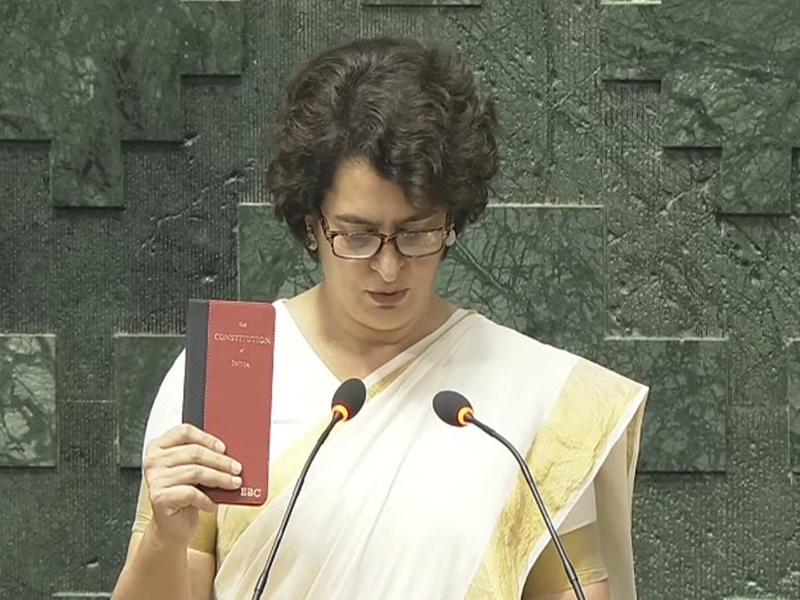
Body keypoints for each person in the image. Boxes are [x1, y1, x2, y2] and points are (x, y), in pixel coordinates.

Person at [112, 37, 648, 600]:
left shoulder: (535, 396)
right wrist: (164, 542)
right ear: (311, 223)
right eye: (359, 234)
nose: (388, 267)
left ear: (452, 221)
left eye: (416, 233)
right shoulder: (234, 367)